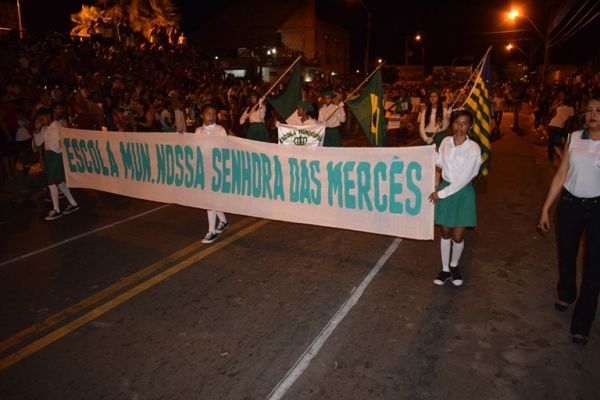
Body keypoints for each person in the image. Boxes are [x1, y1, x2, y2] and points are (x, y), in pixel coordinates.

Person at [538, 96, 600, 346]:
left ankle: (581, 324)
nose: (593, 114)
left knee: (594, 267)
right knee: (567, 254)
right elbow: (562, 174)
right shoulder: (574, 137)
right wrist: (545, 208)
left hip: (597, 209)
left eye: (599, 110)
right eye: (590, 110)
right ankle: (566, 291)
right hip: (570, 205)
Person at [429, 109, 482, 286]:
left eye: (464, 123)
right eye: (457, 122)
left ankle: (454, 265)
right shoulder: (446, 142)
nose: (460, 127)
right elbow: (440, 163)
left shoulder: (473, 149)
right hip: (446, 187)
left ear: (470, 126)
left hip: (462, 193)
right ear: (452, 124)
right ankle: (445, 269)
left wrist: (440, 193)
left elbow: (463, 179)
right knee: (445, 232)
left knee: (458, 236)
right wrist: (430, 152)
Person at [195, 104, 229, 243]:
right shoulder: (198, 131)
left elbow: (227, 148)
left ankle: (211, 231)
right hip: (204, 169)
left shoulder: (220, 130)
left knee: (210, 200)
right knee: (211, 198)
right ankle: (223, 221)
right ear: (202, 115)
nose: (212, 116)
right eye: (208, 113)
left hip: (217, 169)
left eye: (214, 113)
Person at [43, 103, 80, 221]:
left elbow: (61, 142)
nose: (42, 120)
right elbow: (39, 142)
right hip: (50, 155)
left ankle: (56, 209)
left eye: (43, 117)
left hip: (55, 155)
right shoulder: (48, 127)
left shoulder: (58, 125)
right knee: (59, 181)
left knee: (51, 181)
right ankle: (73, 203)